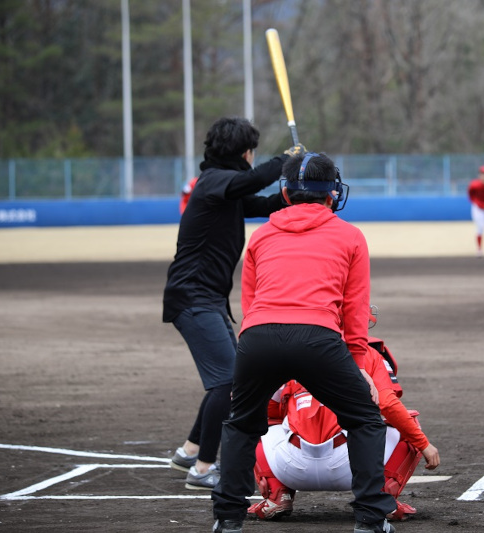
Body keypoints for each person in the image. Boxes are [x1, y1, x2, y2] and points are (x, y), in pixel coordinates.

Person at [211, 152, 398, 533]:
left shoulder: (261, 236)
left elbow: (249, 303)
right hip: (318, 337)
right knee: (364, 420)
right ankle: (370, 519)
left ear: (284, 192)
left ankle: (227, 519)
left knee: (241, 425)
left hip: (259, 336)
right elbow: (354, 310)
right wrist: (358, 364)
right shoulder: (350, 235)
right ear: (332, 194)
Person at [163, 116, 305, 491]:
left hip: (203, 298)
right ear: (244, 152)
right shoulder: (214, 183)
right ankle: (203, 470)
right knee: (227, 383)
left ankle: (189, 453)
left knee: (229, 380)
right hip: (194, 298)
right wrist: (285, 161)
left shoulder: (222, 190)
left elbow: (262, 202)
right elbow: (253, 181)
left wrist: (298, 195)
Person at [246, 314, 440, 523]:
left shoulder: (287, 351)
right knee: (407, 421)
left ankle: (276, 495)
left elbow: (266, 410)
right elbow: (388, 405)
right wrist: (424, 444)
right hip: (352, 465)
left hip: (291, 467)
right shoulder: (368, 353)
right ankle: (383, 500)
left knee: (256, 422)